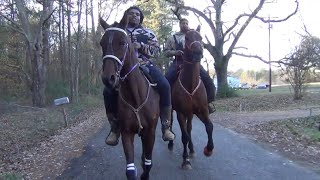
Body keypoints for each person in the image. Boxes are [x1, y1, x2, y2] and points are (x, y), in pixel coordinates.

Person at [104, 6, 175, 146]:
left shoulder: (147, 32)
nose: (134, 16)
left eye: (137, 14)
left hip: (145, 64)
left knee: (165, 85)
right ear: (126, 16)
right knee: (107, 91)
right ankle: (114, 128)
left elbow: (155, 50)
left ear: (140, 17)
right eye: (131, 14)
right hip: (122, 69)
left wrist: (141, 46)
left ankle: (166, 126)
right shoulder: (118, 31)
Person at [164, 18, 216, 114]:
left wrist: (199, 54)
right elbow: (166, 52)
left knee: (208, 81)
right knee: (167, 79)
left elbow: (201, 48)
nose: (185, 24)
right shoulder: (173, 37)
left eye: (186, 23)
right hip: (178, 62)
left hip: (194, 63)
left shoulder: (194, 35)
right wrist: (176, 52)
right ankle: (168, 104)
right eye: (183, 23)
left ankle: (207, 103)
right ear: (179, 25)